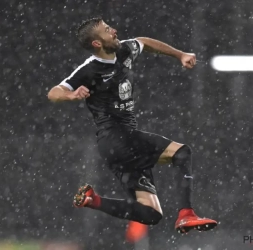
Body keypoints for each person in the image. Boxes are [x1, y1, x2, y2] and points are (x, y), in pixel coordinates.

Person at [47, 17, 217, 234]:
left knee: (151, 214)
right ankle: (186, 214)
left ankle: (93, 200)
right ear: (96, 44)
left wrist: (180, 54)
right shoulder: (89, 70)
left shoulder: (124, 50)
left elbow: (144, 42)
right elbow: (53, 92)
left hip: (115, 147)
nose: (114, 31)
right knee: (182, 152)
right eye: (107, 30)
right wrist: (71, 95)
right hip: (117, 138)